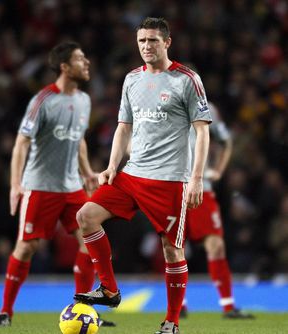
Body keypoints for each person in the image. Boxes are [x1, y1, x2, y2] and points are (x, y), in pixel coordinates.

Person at [73, 17, 211, 334]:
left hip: (169, 179)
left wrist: (197, 177)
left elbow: (201, 132)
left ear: (167, 43)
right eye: (142, 41)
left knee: (171, 249)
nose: (146, 47)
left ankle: (172, 321)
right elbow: (124, 126)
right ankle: (109, 289)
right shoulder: (132, 79)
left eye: (152, 41)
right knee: (86, 216)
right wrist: (111, 166)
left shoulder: (186, 79)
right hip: (132, 173)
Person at [0, 41, 115, 328]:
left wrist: (86, 173)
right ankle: (6, 311)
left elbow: (79, 139)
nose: (86, 64)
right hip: (40, 186)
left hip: (71, 186)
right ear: (64, 67)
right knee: (26, 248)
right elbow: (22, 143)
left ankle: (84, 309)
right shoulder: (43, 100)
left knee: (89, 243)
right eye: (80, 59)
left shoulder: (84, 100)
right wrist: (15, 184)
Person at [182, 102, 253, 319]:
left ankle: (228, 306)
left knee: (216, 245)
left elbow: (225, 140)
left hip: (202, 187)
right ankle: (179, 305)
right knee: (173, 247)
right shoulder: (157, 102)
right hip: (170, 186)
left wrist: (219, 171)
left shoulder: (206, 107)